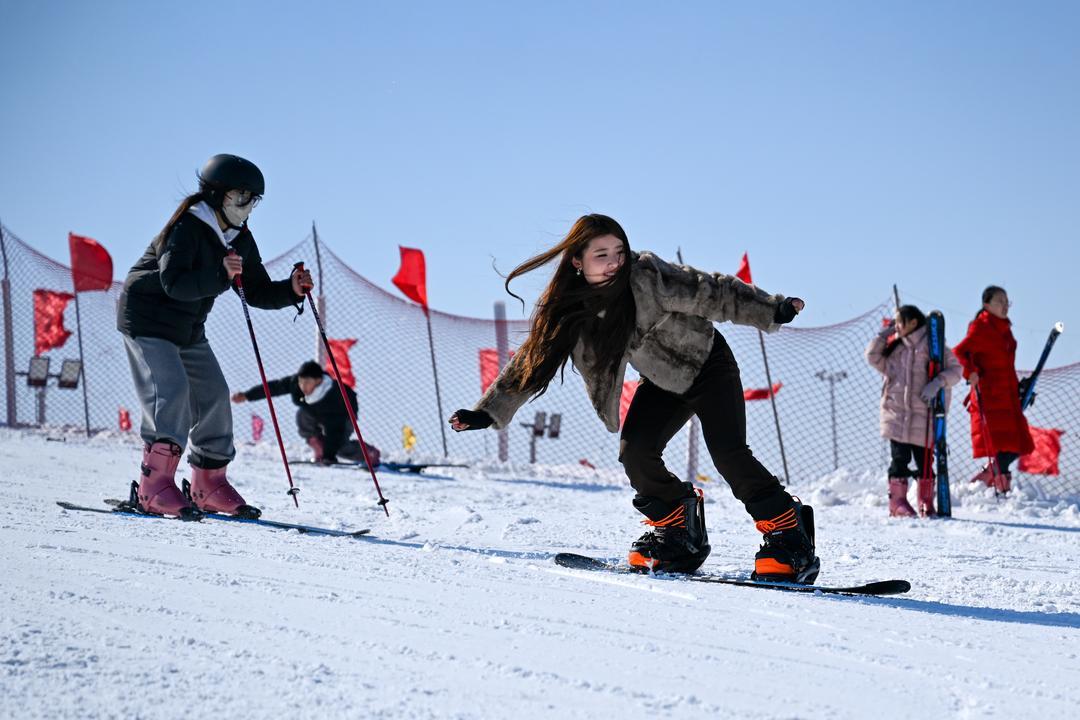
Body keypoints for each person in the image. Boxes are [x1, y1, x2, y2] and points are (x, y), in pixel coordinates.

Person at [448, 214, 818, 582]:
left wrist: (772, 309)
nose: (613, 263)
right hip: (662, 383)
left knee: (728, 452)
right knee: (636, 452)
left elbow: (712, 291)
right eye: (601, 255)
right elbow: (532, 362)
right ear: (577, 261)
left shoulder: (647, 276)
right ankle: (677, 531)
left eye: (618, 253)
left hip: (708, 366)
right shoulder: (572, 311)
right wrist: (487, 412)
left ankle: (789, 536)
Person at [117, 154, 313, 519]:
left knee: (214, 397)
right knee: (171, 391)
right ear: (217, 194)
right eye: (241, 197)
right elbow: (173, 283)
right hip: (147, 320)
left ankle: (208, 484)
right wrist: (220, 273)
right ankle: (154, 486)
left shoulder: (241, 238)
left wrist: (291, 290)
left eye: (254, 200)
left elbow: (252, 291)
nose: (247, 206)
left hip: (188, 328)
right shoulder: (187, 227)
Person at [866, 305, 962, 517]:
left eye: (899, 322)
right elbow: (872, 356)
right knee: (899, 460)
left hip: (924, 417)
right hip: (896, 414)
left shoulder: (934, 347)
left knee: (925, 462)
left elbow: (957, 371)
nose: (896, 327)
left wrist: (938, 382)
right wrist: (886, 333)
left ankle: (926, 500)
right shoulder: (895, 348)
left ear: (913, 323)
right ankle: (897, 503)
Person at [953, 286, 1034, 493]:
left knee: (1019, 442)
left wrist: (1019, 389)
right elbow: (959, 353)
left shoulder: (1004, 329)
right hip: (989, 396)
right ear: (986, 305)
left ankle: (993, 475)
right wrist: (970, 372)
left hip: (1007, 394)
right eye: (1000, 301)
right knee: (1006, 443)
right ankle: (999, 481)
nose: (1005, 306)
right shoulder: (981, 327)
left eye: (1007, 302)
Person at [232, 360, 381, 467]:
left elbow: (334, 429)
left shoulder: (333, 394)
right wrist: (247, 395)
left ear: (318, 381)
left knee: (340, 446)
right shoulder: (296, 383)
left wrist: (329, 456)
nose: (303, 386)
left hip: (344, 416)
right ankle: (318, 448)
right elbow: (273, 387)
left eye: (307, 382)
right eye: (301, 381)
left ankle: (368, 453)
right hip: (317, 412)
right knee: (302, 414)